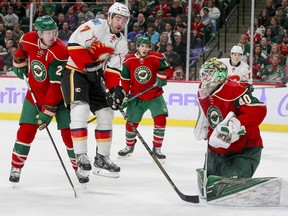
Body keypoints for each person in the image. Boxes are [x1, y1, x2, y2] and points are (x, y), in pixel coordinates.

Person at [9, 15, 88, 184]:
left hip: (60, 99)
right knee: (25, 131)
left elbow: (55, 86)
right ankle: (16, 166)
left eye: (54, 31)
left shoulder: (59, 50)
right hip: (35, 95)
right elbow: (21, 48)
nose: (52, 36)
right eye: (47, 33)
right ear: (38, 33)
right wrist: (19, 63)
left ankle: (79, 168)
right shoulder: (28, 39)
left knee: (69, 133)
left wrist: (46, 112)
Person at [61, 2, 130, 178]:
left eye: (123, 20)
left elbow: (113, 70)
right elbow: (74, 45)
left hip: (95, 76)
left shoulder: (121, 43)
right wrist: (89, 66)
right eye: (117, 18)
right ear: (110, 17)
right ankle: (81, 155)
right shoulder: (95, 26)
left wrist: (116, 90)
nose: (120, 23)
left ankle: (102, 158)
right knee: (81, 108)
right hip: (75, 71)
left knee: (106, 112)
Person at [194, 57, 267, 178]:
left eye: (208, 75)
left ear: (218, 76)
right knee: (211, 179)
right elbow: (209, 112)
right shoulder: (203, 90)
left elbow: (259, 109)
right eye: (203, 75)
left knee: (231, 182)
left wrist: (237, 124)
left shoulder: (234, 90)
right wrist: (206, 129)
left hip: (243, 149)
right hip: (218, 150)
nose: (204, 79)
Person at [117, 37, 173, 162]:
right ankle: (129, 146)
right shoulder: (129, 60)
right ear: (137, 47)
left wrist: (163, 76)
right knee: (131, 122)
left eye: (147, 46)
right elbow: (125, 80)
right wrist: (125, 95)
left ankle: (157, 148)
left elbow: (169, 70)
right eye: (142, 46)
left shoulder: (157, 57)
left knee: (161, 119)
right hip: (136, 96)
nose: (144, 49)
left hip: (155, 95)